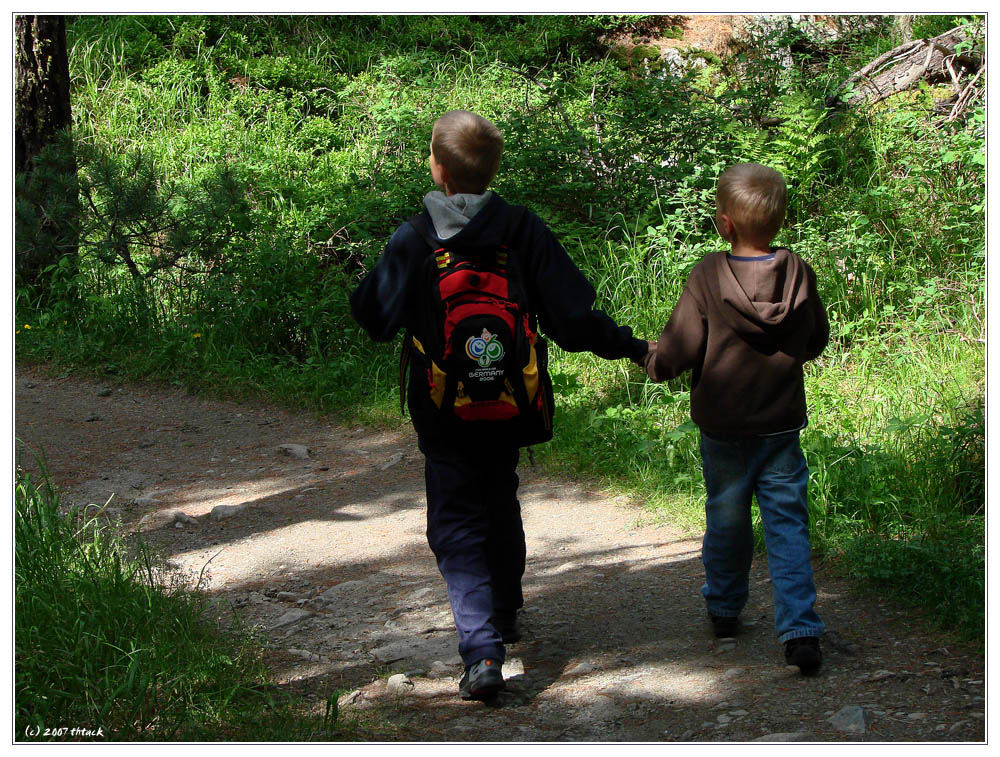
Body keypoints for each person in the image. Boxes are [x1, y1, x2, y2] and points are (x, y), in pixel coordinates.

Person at [350, 110, 649, 699]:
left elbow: (371, 318)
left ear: (436, 167)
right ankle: (506, 611)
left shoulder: (415, 238)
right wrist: (635, 347)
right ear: (495, 169)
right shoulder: (521, 228)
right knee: (499, 492)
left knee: (456, 517)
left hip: (441, 408)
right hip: (511, 401)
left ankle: (482, 651)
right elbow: (571, 319)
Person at [638, 163, 829, 675]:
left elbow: (679, 348)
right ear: (780, 220)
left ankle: (724, 609)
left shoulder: (707, 275)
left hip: (723, 427)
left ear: (725, 223)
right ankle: (801, 629)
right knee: (787, 523)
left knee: (726, 513)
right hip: (781, 425)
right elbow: (815, 340)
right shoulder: (798, 273)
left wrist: (652, 360)